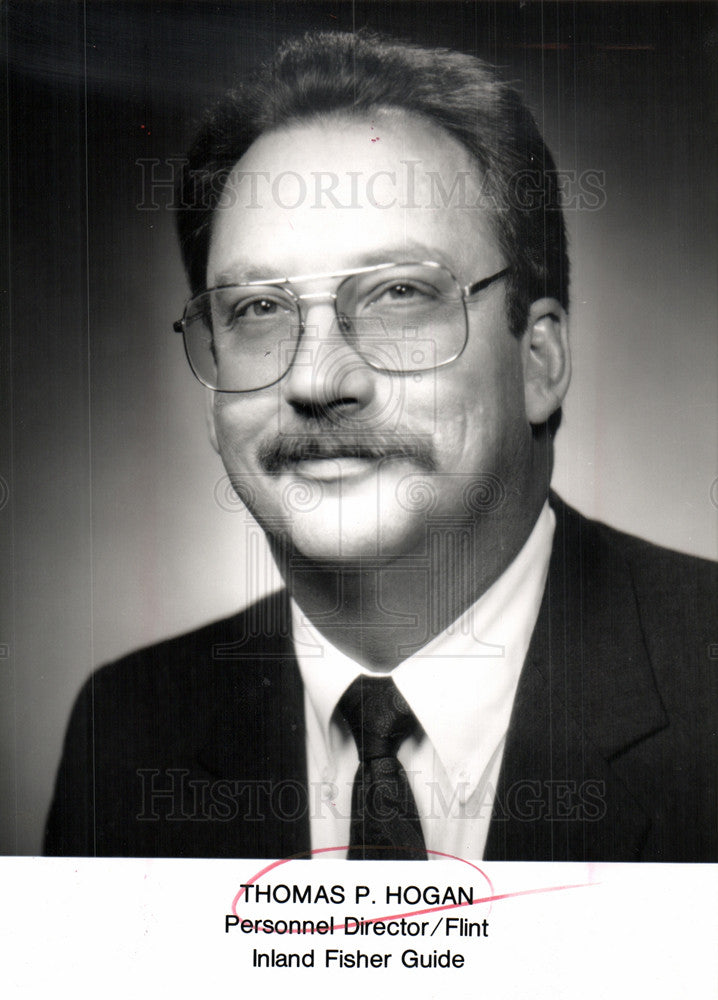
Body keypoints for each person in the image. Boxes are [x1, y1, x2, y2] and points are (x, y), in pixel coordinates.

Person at [44, 30, 717, 862]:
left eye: (400, 294)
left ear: (539, 363)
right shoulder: (129, 731)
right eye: (257, 310)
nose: (319, 381)